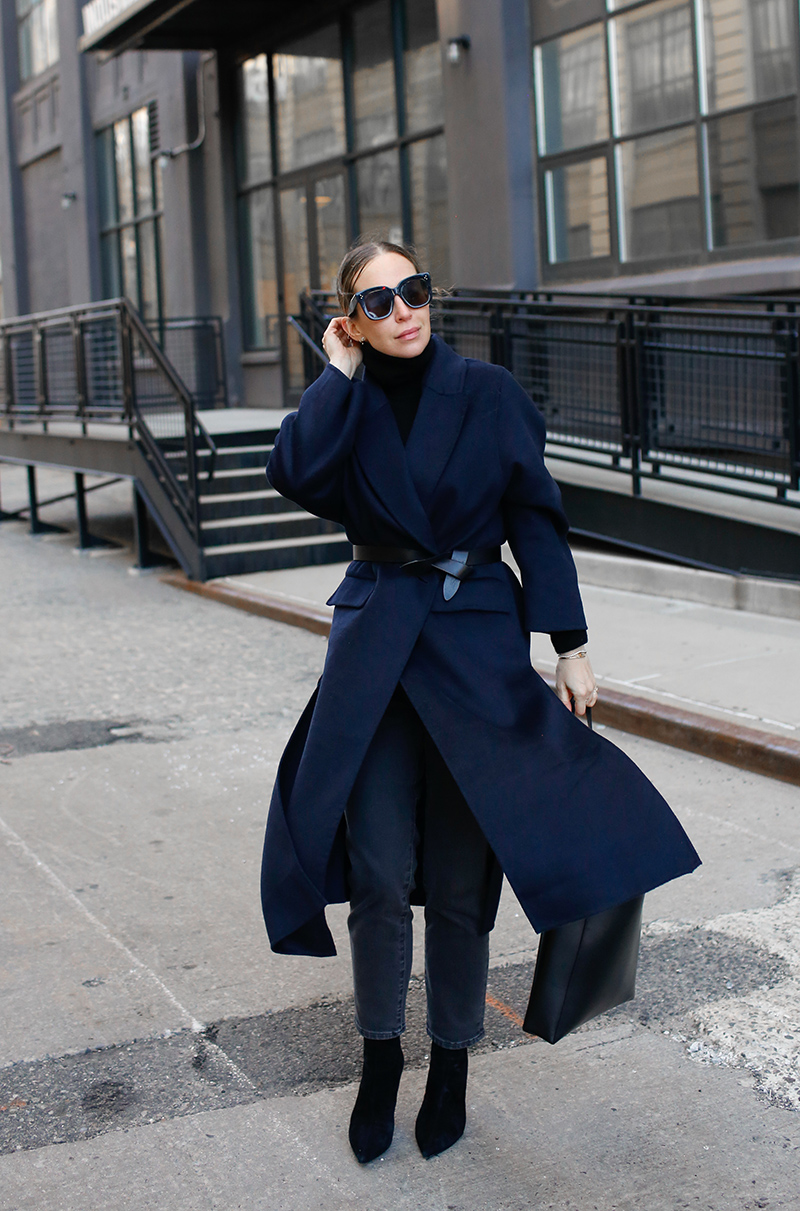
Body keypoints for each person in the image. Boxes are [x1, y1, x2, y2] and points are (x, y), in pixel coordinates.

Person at [261, 239, 700, 1165]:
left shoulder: (490, 394)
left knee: (461, 883)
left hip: (473, 646)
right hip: (378, 647)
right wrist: (336, 374)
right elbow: (297, 474)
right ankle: (382, 1055)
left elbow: (536, 520)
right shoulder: (346, 402)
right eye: (377, 303)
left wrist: (570, 646)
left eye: (414, 291)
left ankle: (452, 1060)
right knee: (379, 872)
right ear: (352, 321)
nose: (404, 312)